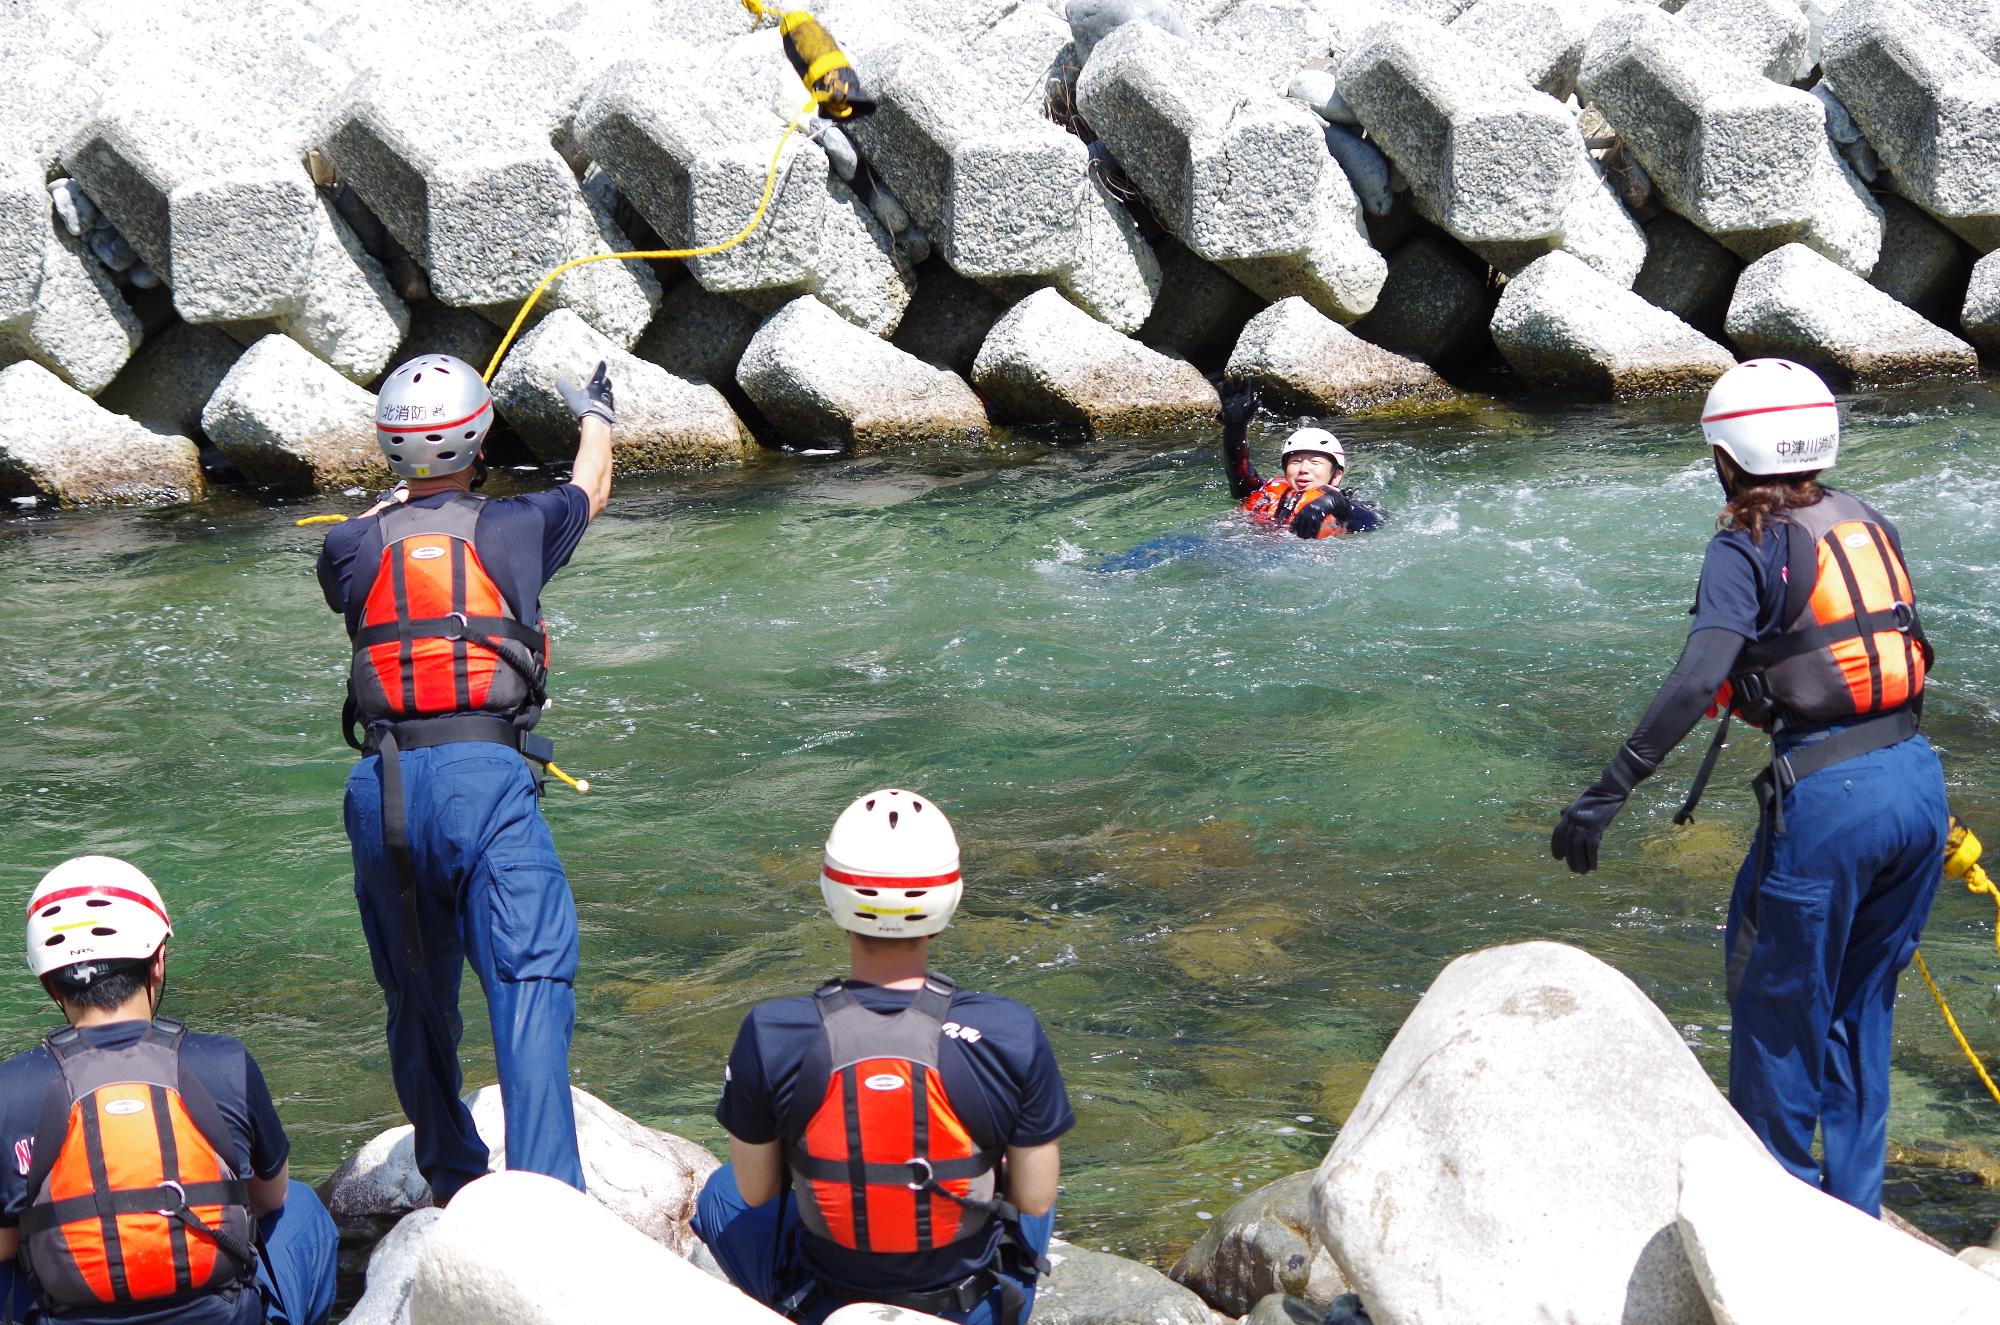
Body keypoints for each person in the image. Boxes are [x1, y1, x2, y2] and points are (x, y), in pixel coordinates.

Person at [1550, 358, 1947, 1216]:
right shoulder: (1867, 521)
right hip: (1916, 782)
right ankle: (1855, 1213)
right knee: (1859, 1010)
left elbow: (1700, 677)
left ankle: (1779, 1222)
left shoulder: (1746, 542)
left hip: (1833, 798)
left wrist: (1611, 787)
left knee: (1778, 1006)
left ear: (1726, 455)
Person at [315, 353, 617, 1204]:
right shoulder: (516, 527)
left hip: (385, 788)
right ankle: (546, 1195)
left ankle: (450, 1175)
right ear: (480, 439)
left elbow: (371, 554)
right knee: (527, 979)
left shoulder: (346, 545)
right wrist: (596, 411)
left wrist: (385, 509)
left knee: (414, 990)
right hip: (485, 777)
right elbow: (591, 485)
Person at [694, 790, 1073, 1325]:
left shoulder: (772, 1030)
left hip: (828, 1295)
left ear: (833, 895)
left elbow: (757, 1190)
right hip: (970, 1304)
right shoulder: (1010, 1028)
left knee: (720, 1194)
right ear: (951, 898)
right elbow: (1034, 1200)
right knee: (1034, 1176)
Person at [0, 856, 337, 1325]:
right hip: (217, 1313)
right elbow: (269, 1198)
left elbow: (5, 1242)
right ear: (157, 962)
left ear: (47, 982)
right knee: (302, 1205)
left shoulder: (9, 1088)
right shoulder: (224, 1061)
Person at [1221, 383, 1382, 538]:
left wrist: (1337, 503)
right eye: (1296, 462)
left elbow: (1376, 520)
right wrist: (1235, 429)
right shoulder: (1263, 491)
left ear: (1336, 475)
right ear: (1285, 470)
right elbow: (1238, 470)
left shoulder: (1346, 506)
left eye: (1315, 462)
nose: (1304, 468)